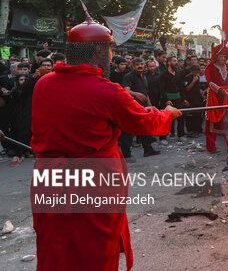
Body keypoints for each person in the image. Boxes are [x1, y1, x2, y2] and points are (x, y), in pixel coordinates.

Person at [30, 15, 181, 271]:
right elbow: (146, 122)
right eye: (111, 50)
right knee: (96, 251)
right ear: (100, 51)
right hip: (93, 184)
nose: (112, 57)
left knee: (55, 247)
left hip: (49, 180)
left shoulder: (43, 84)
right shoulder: (106, 91)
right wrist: (169, 114)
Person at [205, 44, 228, 153]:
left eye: (224, 56)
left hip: (227, 96)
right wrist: (220, 91)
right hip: (215, 96)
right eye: (220, 56)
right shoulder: (210, 67)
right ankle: (211, 147)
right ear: (216, 56)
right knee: (213, 121)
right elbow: (209, 82)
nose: (222, 58)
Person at [123, 57, 160, 157]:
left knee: (144, 129)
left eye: (141, 64)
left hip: (143, 107)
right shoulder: (129, 76)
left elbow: (145, 92)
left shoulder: (143, 76)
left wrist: (150, 105)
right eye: (137, 65)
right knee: (128, 132)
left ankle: (148, 150)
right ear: (133, 66)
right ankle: (126, 154)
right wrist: (136, 94)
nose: (140, 66)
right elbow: (126, 90)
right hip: (132, 107)